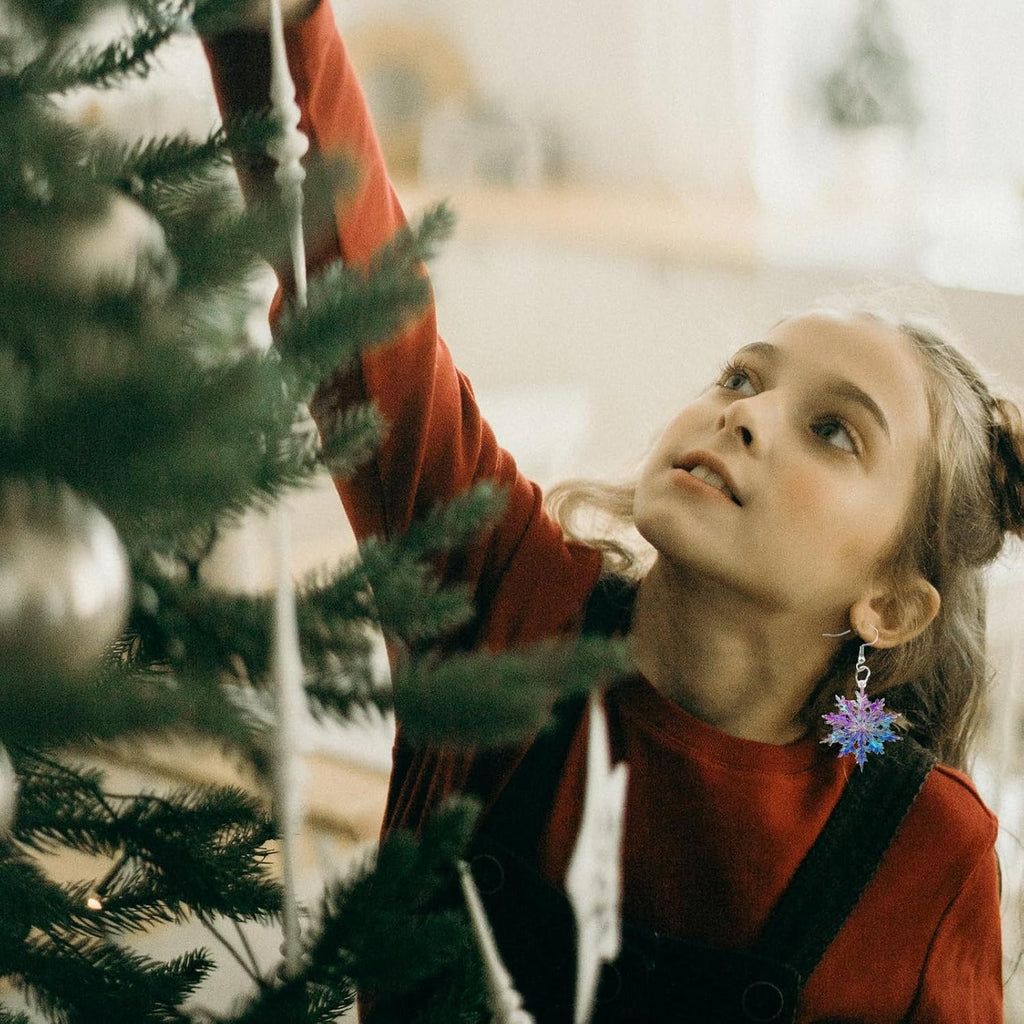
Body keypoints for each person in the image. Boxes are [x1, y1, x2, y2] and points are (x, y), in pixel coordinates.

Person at [204, 2, 1023, 1020]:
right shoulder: (506, 602)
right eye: (739, 377)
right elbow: (358, 303)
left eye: (832, 431)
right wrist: (271, 26)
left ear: (891, 606)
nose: (749, 416)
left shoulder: (925, 849)